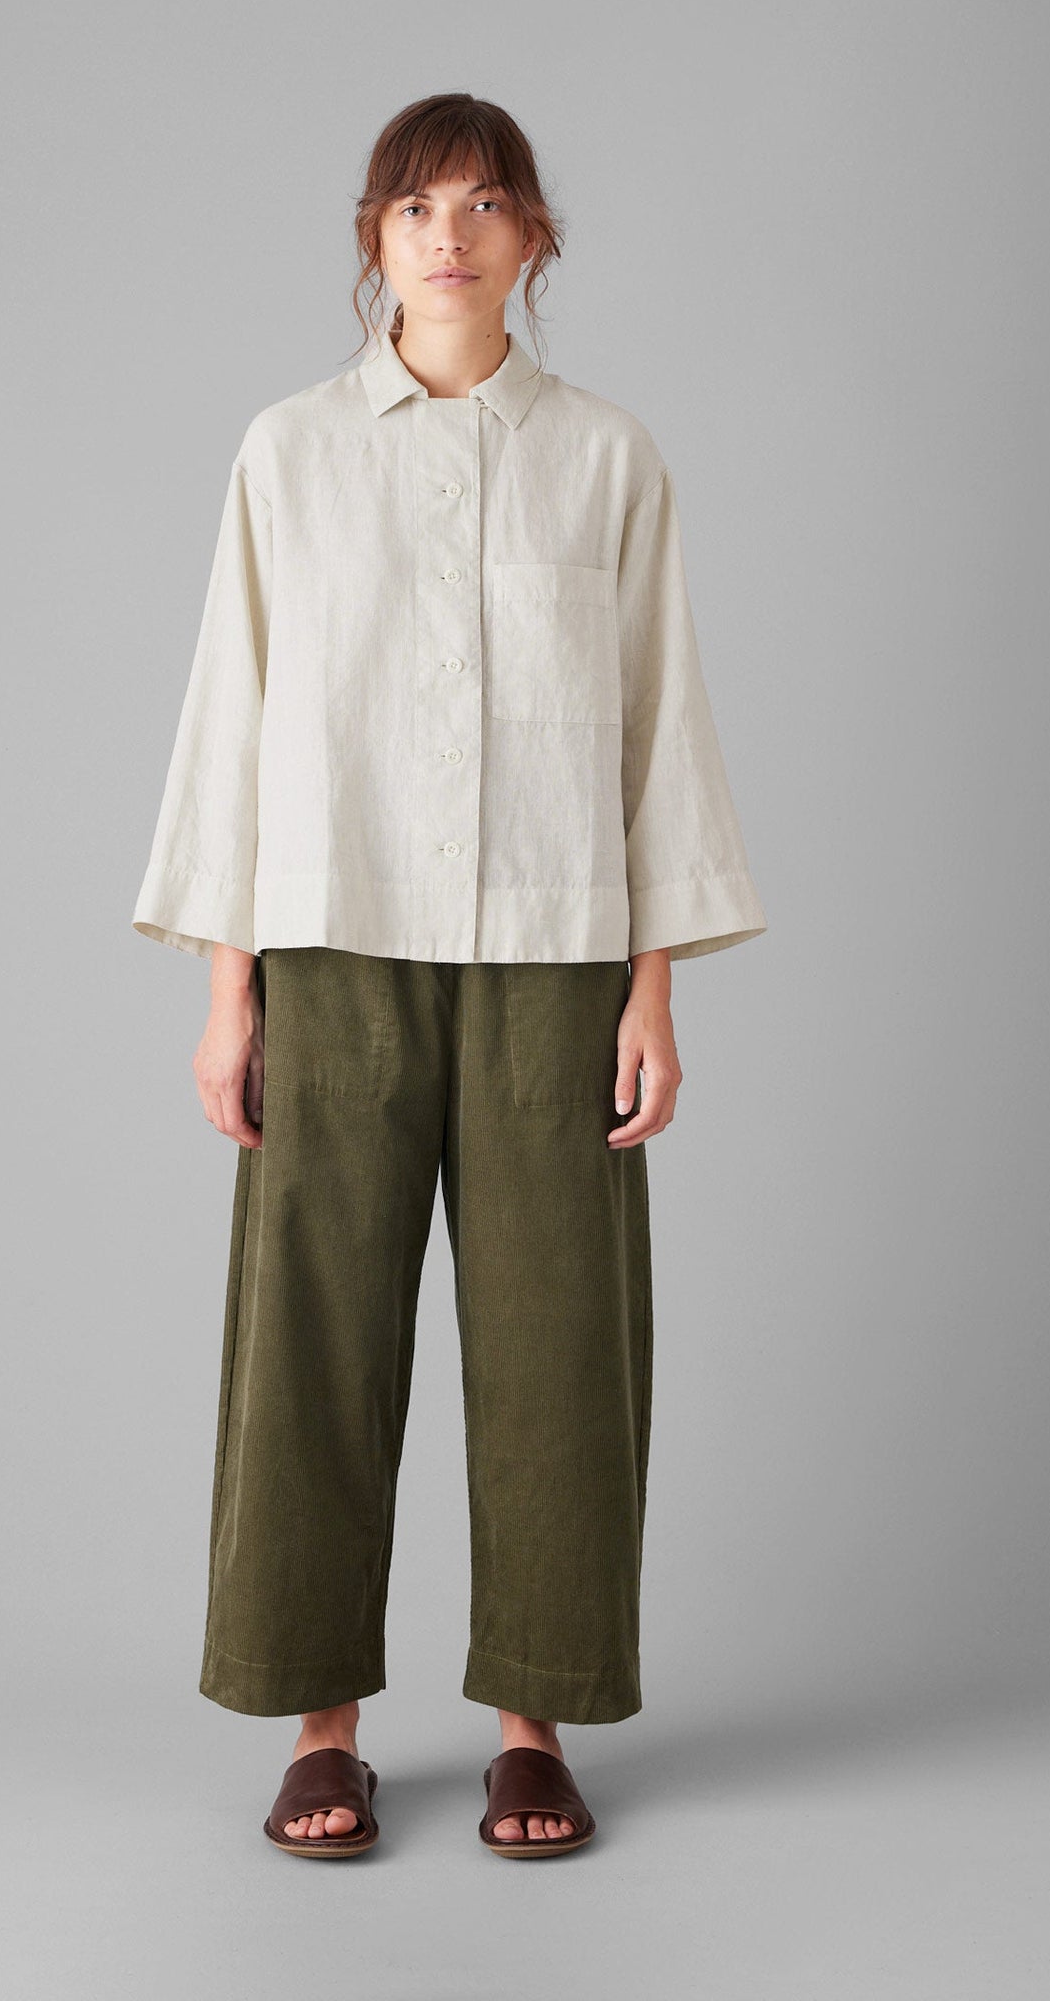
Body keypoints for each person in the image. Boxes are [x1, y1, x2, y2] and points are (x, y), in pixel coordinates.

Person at [131, 92, 767, 1859]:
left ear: (533, 236)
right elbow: (235, 722)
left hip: (555, 957)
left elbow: (658, 728)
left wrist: (653, 991)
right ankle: (320, 1725)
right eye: (417, 205)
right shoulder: (287, 453)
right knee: (313, 1338)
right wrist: (227, 993)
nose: (451, 235)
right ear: (374, 237)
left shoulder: (608, 458)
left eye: (486, 204)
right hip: (331, 945)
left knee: (562, 1349)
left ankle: (531, 1727)